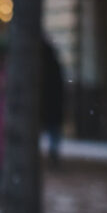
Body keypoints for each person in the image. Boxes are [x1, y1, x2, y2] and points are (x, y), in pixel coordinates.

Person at [40, 35, 65, 166]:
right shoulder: (53, 64)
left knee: (52, 129)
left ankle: (53, 154)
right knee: (53, 129)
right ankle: (53, 154)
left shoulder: (41, 66)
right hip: (52, 104)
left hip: (47, 103)